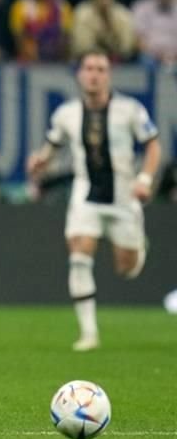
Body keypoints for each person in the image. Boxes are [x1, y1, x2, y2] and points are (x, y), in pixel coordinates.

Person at [27, 49, 160, 351]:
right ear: (79, 74)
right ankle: (88, 333)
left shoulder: (130, 110)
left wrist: (144, 179)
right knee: (79, 254)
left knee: (127, 268)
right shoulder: (66, 114)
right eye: (89, 68)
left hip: (123, 196)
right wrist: (40, 160)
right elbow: (53, 144)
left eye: (100, 69)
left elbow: (153, 145)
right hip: (85, 193)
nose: (94, 75)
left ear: (108, 76)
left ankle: (138, 245)